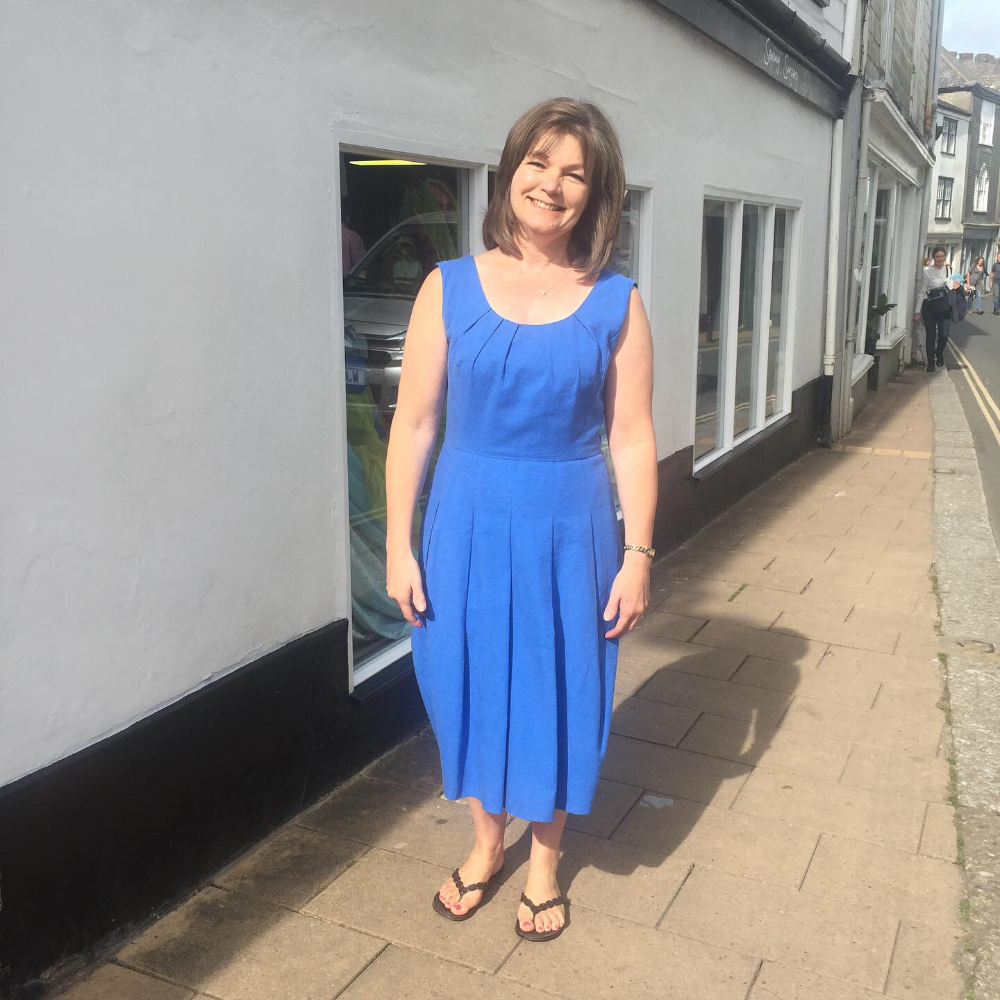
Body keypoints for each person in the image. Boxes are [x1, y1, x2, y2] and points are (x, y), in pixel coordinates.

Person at [384, 98, 656, 943]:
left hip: (569, 531)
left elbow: (633, 434)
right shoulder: (447, 287)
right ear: (511, 171)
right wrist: (397, 542)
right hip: (464, 524)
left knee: (559, 689)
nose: (552, 184)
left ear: (596, 193)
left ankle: (544, 863)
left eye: (576, 172)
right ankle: (484, 842)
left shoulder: (617, 302)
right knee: (460, 677)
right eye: (539, 163)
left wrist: (640, 552)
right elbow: (415, 422)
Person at [915, 246, 958, 372]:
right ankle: (930, 363)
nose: (940, 259)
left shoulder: (949, 270)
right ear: (933, 258)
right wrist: (917, 311)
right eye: (937, 256)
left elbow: (954, 287)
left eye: (942, 256)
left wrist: (956, 285)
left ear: (945, 257)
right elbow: (922, 292)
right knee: (931, 335)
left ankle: (938, 352)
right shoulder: (927, 272)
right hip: (930, 306)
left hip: (945, 306)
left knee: (944, 335)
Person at [991, 250, 1000, 316]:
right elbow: (992, 273)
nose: (998, 259)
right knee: (996, 295)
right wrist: (990, 282)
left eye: (999, 258)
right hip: (996, 282)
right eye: (998, 257)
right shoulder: (995, 265)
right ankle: (997, 309)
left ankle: (996, 308)